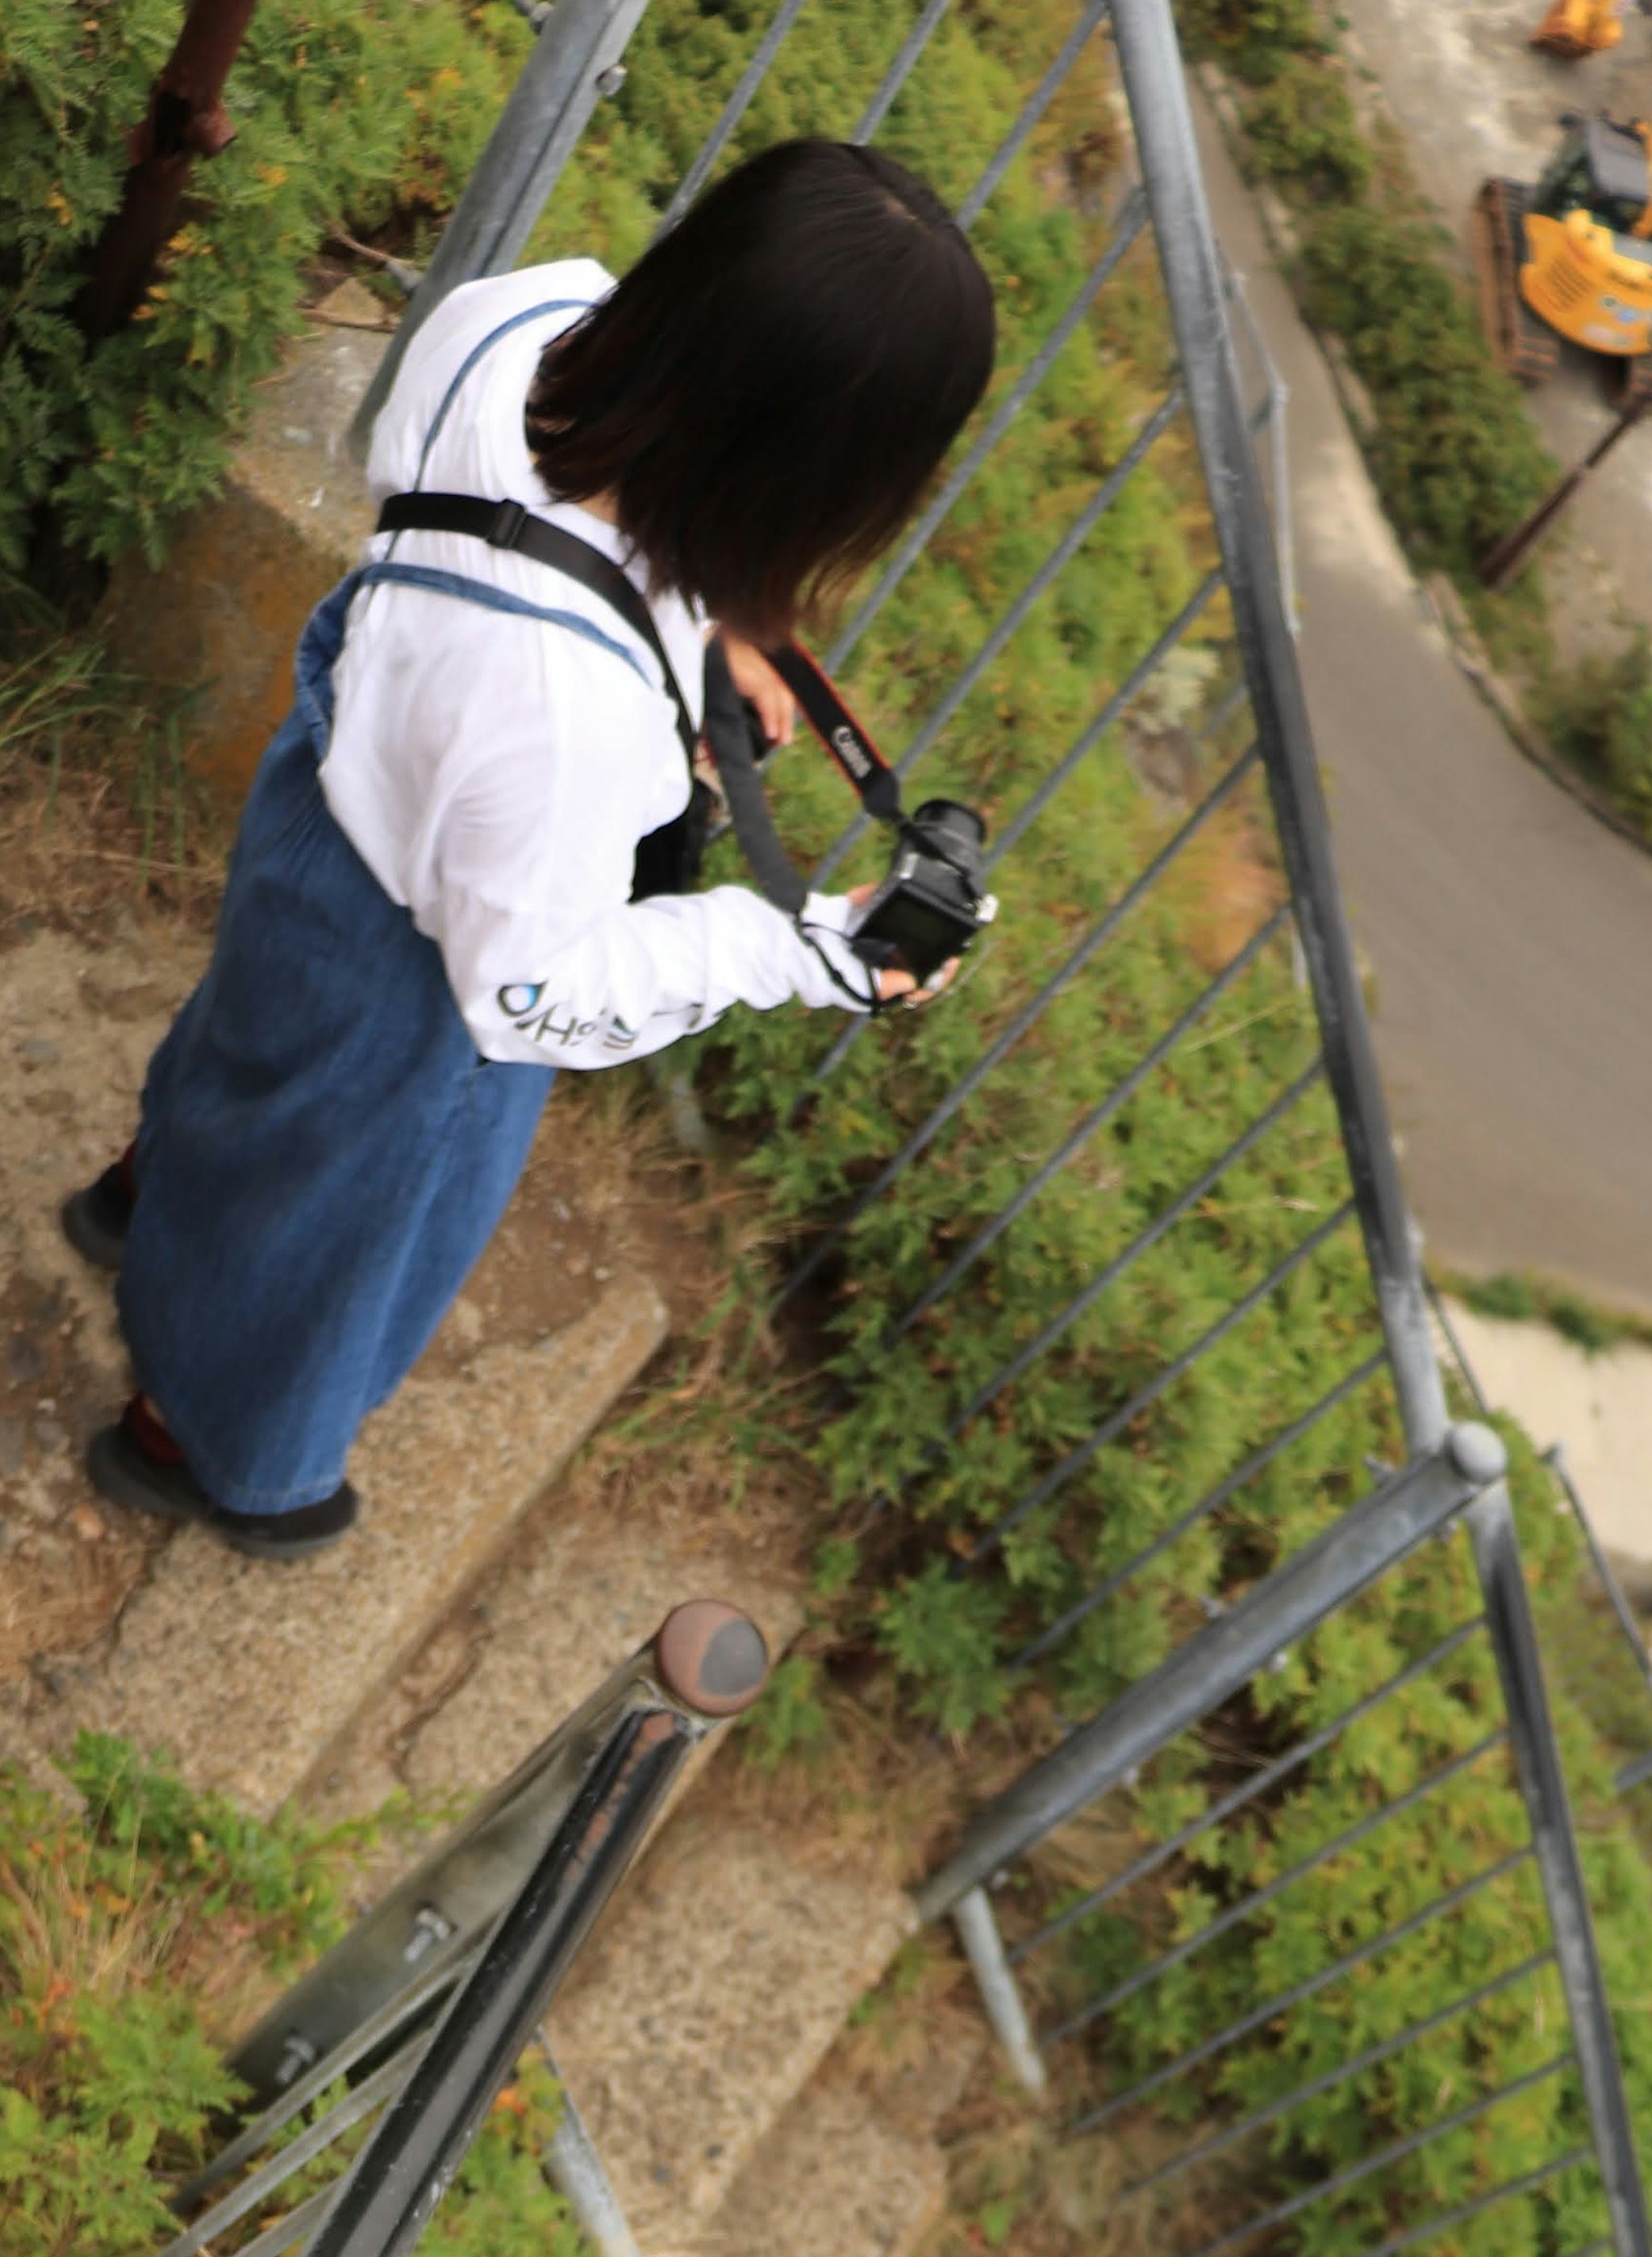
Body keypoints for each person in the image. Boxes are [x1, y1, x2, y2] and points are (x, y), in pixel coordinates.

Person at [61, 136, 998, 1562]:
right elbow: (529, 995)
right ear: (801, 474)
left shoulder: (528, 313)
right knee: (334, 1228)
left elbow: (524, 524)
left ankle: (148, 1191)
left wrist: (704, 617)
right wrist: (801, 949)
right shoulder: (564, 722)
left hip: (330, 792)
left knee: (256, 1048)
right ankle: (209, 1442)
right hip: (425, 977)